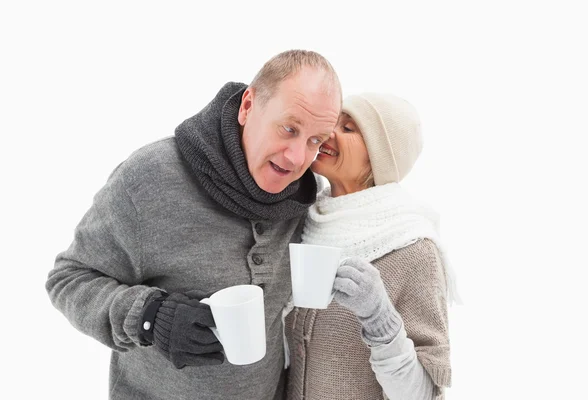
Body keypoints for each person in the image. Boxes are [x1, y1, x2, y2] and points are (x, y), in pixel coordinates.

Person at [45, 49, 342, 400]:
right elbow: (69, 279)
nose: (296, 158)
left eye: (314, 141)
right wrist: (151, 317)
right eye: (288, 128)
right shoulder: (150, 179)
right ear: (248, 106)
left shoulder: (305, 202)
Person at [285, 93, 458, 399]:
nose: (328, 133)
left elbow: (423, 395)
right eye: (333, 123)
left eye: (348, 128)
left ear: (379, 156)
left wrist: (380, 320)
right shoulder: (304, 224)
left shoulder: (414, 251)